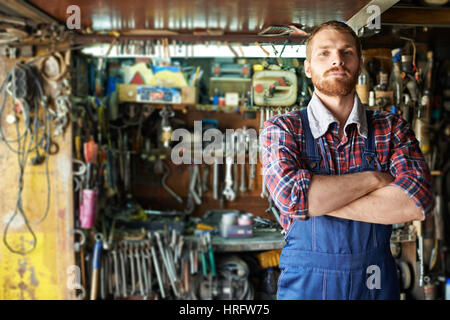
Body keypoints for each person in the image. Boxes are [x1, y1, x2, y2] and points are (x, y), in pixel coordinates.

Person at [260, 21, 434, 300]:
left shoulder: (391, 127)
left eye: (346, 52)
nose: (337, 60)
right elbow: (294, 198)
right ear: (307, 67)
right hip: (308, 287)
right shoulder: (282, 129)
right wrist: (374, 179)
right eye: (324, 53)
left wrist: (317, 202)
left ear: (359, 63)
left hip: (374, 284)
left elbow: (417, 201)